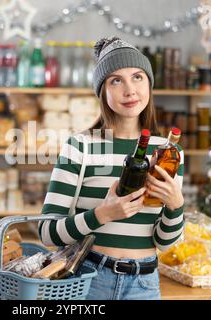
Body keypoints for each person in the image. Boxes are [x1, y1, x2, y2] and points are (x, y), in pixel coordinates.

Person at [38, 37, 185, 300]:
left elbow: (165, 243)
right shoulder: (80, 146)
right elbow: (47, 232)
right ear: (102, 92)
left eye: (137, 77)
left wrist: (176, 205)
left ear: (149, 84)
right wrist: (102, 214)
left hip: (144, 286)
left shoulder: (169, 153)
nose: (130, 90)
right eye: (116, 80)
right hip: (87, 281)